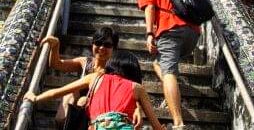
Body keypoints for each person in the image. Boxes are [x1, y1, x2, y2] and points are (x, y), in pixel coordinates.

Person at [130, 0, 201, 130]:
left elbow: (149, 8)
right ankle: (173, 89)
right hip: (193, 33)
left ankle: (178, 123)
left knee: (168, 72)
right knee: (158, 64)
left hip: (170, 31)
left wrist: (149, 33)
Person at [24, 50, 166, 130]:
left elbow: (58, 92)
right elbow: (156, 126)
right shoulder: (138, 88)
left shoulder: (94, 78)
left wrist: (35, 98)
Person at [40, 26, 119, 129]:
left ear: (114, 48)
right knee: (71, 94)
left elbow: (133, 89)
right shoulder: (85, 62)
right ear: (92, 44)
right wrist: (55, 46)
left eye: (107, 45)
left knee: (83, 101)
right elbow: (56, 64)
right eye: (98, 43)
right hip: (76, 107)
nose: (101, 48)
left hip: (101, 109)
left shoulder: (116, 69)